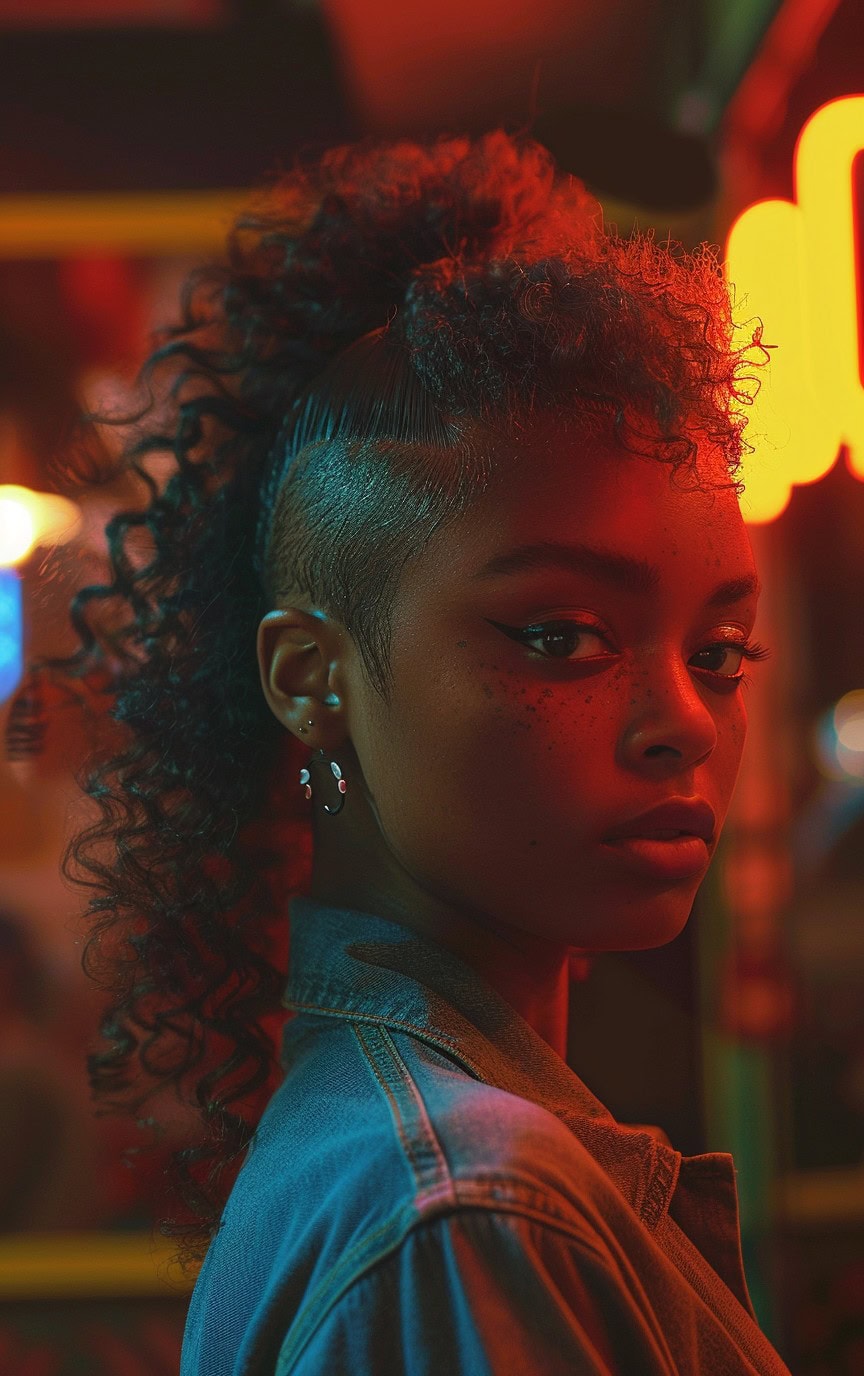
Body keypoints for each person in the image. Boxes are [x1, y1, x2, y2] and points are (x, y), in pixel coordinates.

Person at [12, 131, 793, 1373]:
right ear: (312, 678)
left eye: (722, 651)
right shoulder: (473, 1206)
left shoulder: (438, 1149)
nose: (687, 720)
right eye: (562, 635)